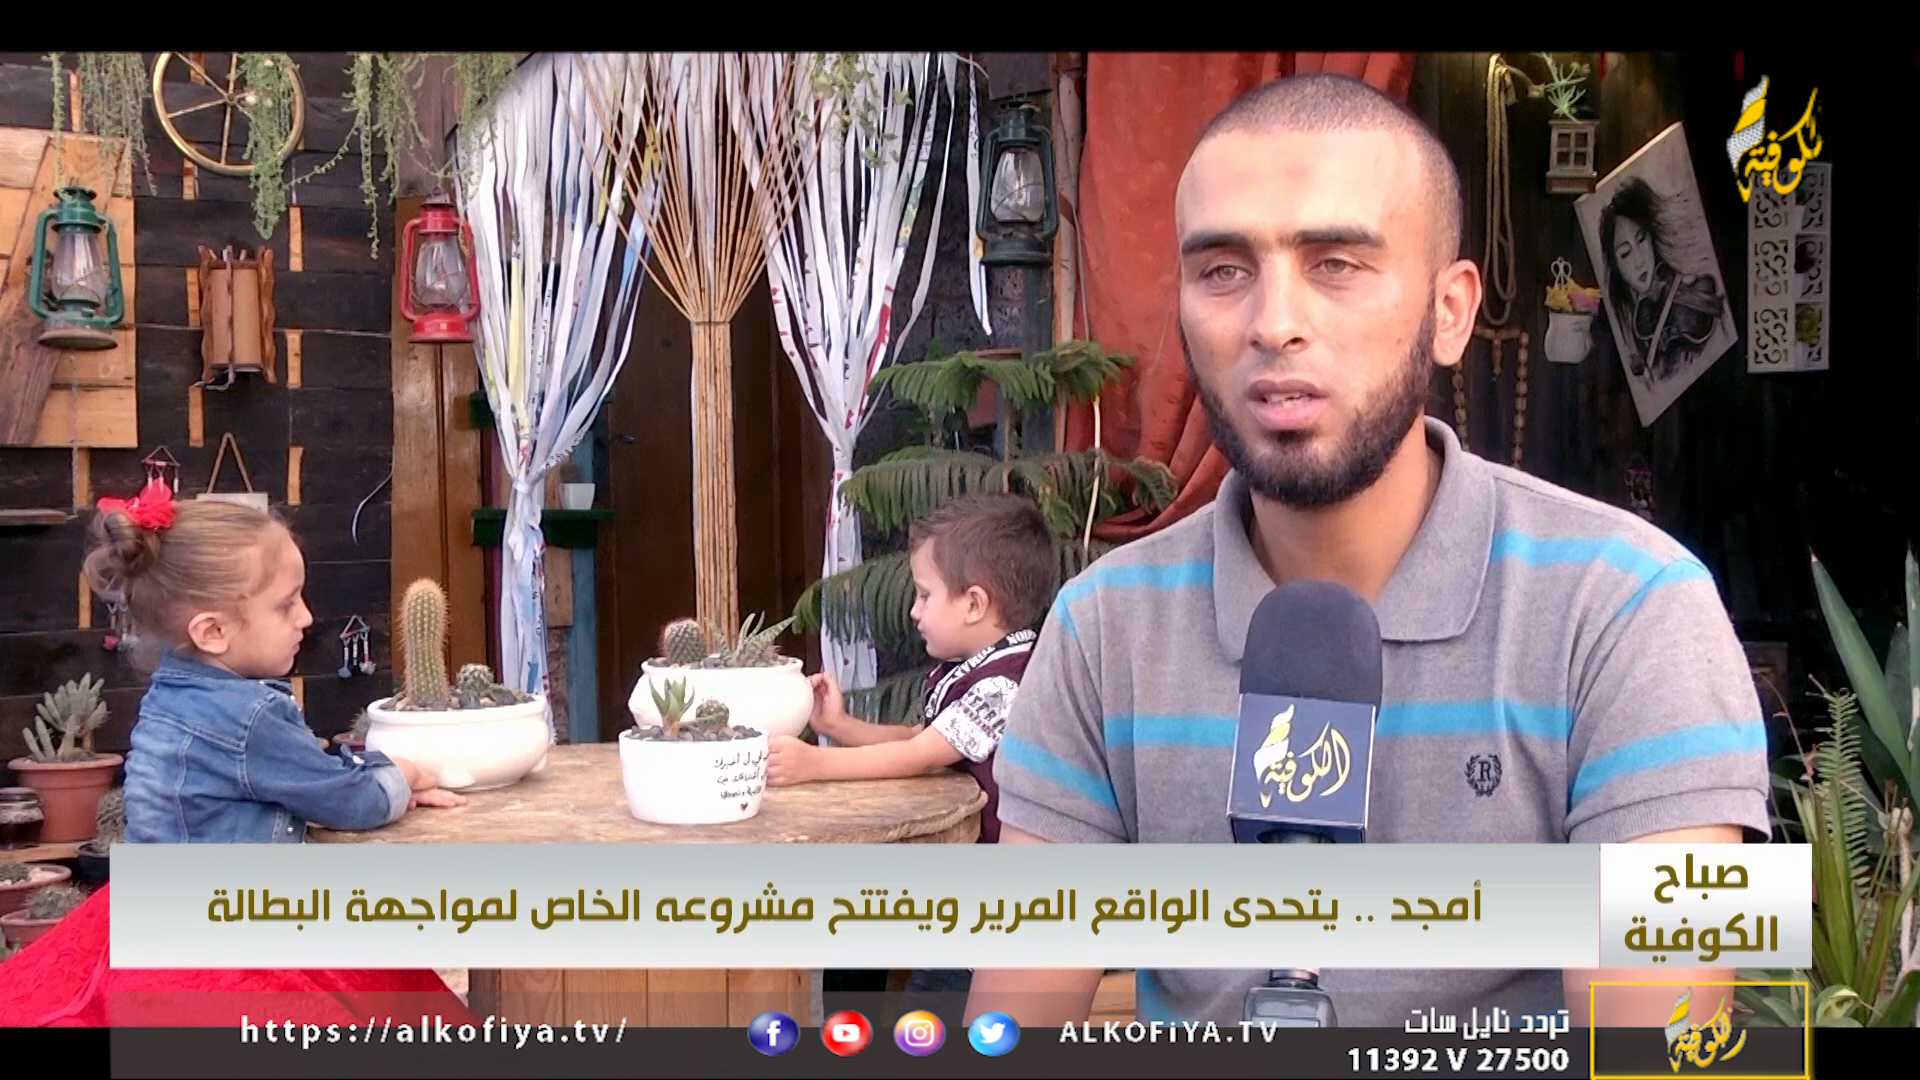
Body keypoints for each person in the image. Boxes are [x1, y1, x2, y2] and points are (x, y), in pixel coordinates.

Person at [965, 73, 1771, 1032]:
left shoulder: (1632, 611)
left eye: (1337, 263)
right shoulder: (1103, 630)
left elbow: (1655, 1047)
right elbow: (1011, 1026)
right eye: (1223, 270)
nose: (1274, 323)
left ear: (1450, 311)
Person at [0, 478, 476, 1027]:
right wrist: (400, 774)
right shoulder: (250, 716)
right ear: (212, 631)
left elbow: (291, 776)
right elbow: (347, 800)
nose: (306, 617)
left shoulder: (169, 691)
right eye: (286, 604)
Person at [767, 492, 1058, 1015]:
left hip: (993, 909)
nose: (913, 611)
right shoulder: (977, 667)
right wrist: (841, 727)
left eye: (924, 595)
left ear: (974, 603)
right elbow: (922, 739)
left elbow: (923, 753)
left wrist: (815, 764)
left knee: (929, 1011)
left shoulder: (1009, 683)